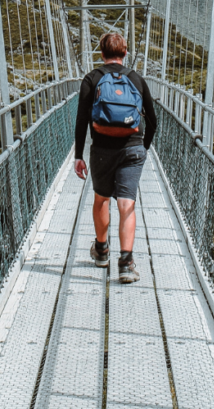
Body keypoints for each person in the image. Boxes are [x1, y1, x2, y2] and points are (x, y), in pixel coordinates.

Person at [74, 31, 157, 283]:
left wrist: (78, 155)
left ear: (101, 53)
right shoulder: (136, 79)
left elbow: (81, 121)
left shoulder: (92, 78)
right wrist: (145, 146)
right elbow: (152, 119)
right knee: (127, 204)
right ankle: (126, 263)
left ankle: (101, 251)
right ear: (125, 53)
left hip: (101, 150)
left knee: (101, 200)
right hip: (132, 148)